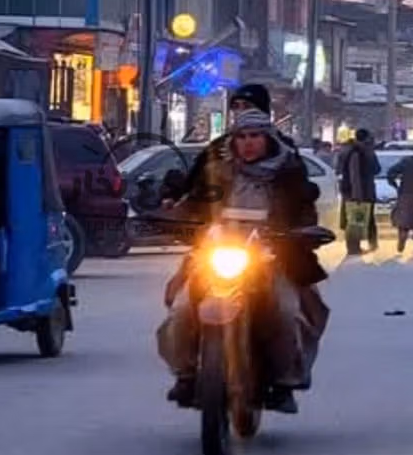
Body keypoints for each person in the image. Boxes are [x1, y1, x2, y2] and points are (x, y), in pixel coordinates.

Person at [156, 109, 329, 415]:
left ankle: (285, 382)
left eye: (255, 136)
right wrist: (170, 216)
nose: (248, 143)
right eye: (242, 137)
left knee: (289, 313)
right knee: (182, 310)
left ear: (268, 139)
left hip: (273, 259)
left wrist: (301, 234)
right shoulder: (218, 171)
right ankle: (185, 375)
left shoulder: (288, 173)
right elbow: (193, 206)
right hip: (216, 257)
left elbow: (304, 211)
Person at [336, 129, 381, 256]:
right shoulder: (358, 153)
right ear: (366, 139)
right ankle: (354, 247)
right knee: (356, 220)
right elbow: (354, 174)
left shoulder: (351, 150)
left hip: (357, 191)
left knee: (363, 219)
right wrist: (357, 195)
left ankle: (371, 244)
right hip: (359, 192)